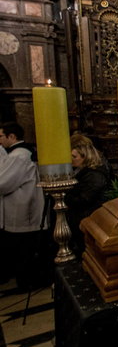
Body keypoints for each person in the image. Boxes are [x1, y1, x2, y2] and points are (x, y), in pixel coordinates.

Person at [0, 122, 46, 286]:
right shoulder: (20, 153)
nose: (0, 140)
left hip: (22, 206)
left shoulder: (18, 155)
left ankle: (27, 280)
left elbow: (4, 183)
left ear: (12, 136)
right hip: (21, 205)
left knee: (23, 247)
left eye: (1, 136)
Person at [66, 136, 109, 255]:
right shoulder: (82, 171)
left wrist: (65, 197)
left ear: (86, 156)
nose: (71, 159)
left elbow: (85, 199)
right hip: (81, 218)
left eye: (74, 156)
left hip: (88, 219)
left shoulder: (94, 175)